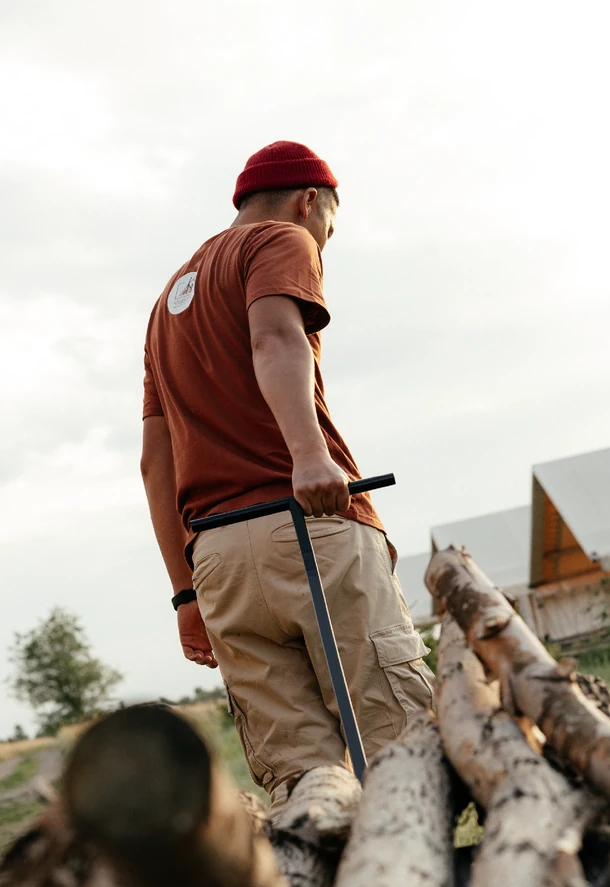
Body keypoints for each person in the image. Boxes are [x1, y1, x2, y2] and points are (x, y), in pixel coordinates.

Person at [140, 140, 435, 815]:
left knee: (307, 786)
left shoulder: (165, 307)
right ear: (310, 202)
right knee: (402, 751)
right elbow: (275, 338)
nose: (325, 242)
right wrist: (308, 456)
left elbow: (156, 462)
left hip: (218, 559)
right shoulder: (280, 240)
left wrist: (186, 595)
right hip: (310, 526)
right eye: (329, 223)